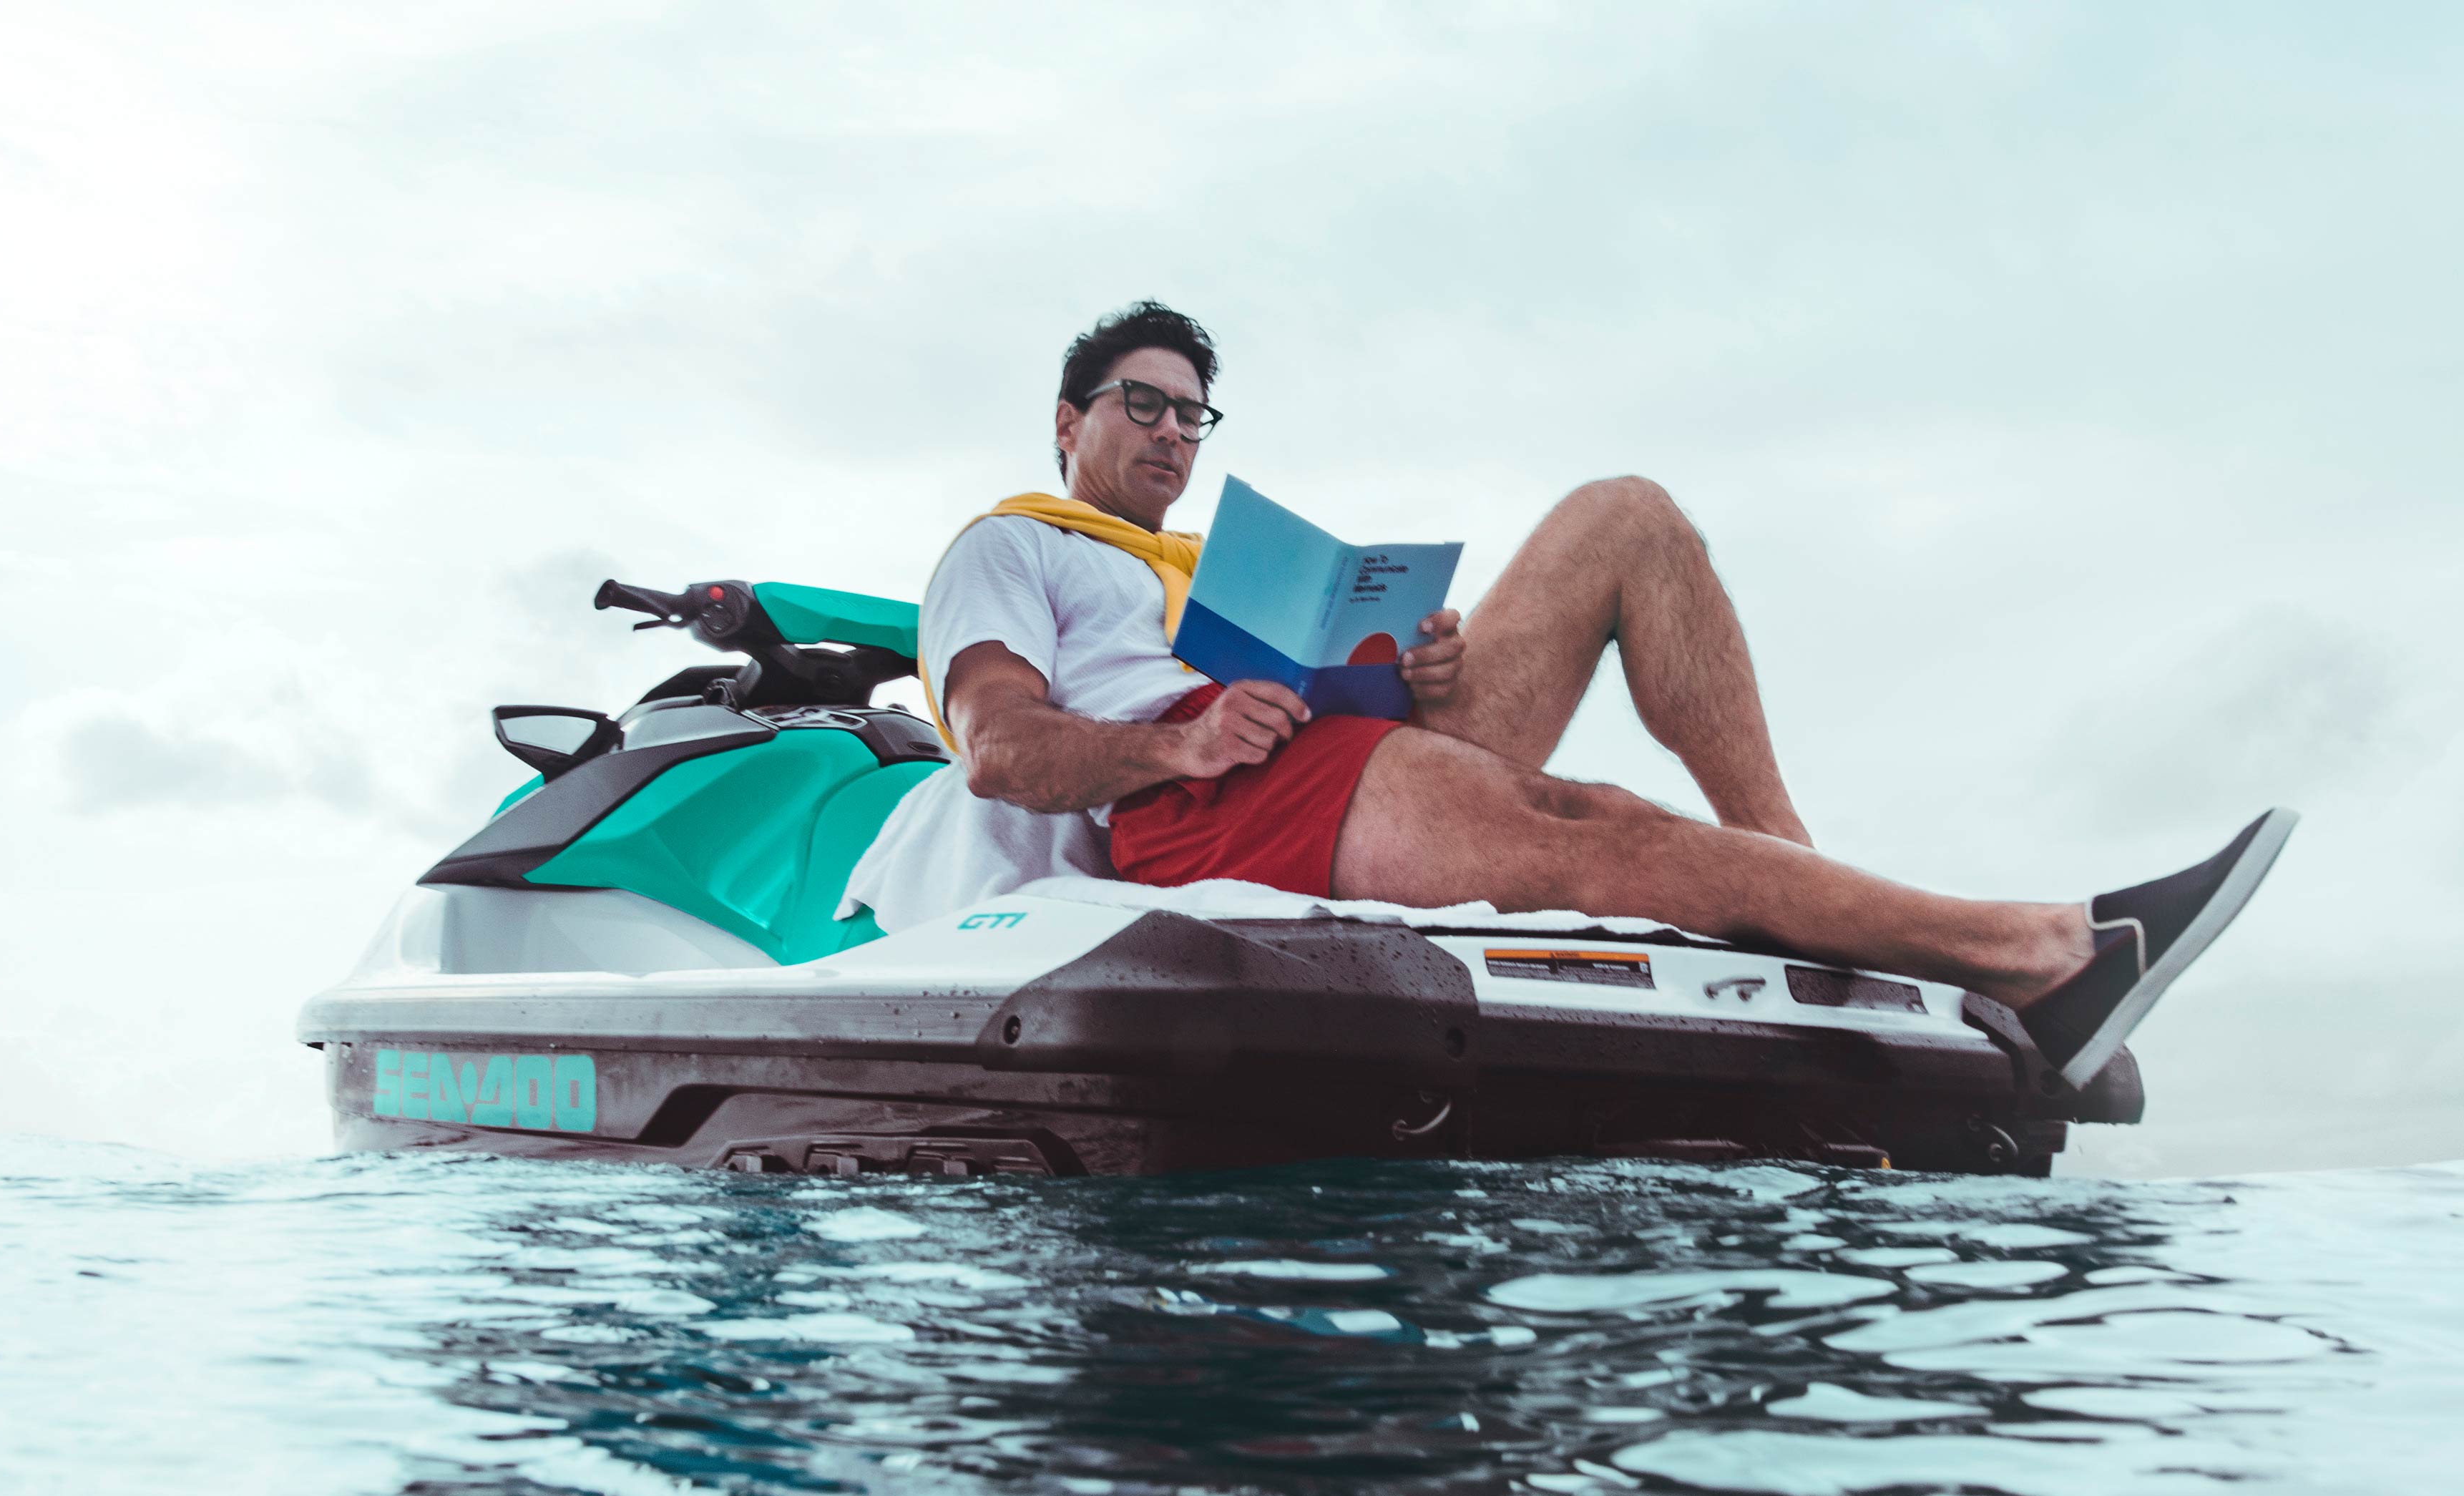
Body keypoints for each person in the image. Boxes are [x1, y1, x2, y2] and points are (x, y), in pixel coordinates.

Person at [839, 301, 2294, 1086]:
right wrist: (1184, 744)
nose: (1168, 430)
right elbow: (1002, 752)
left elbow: (1346, 692)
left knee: (1626, 515)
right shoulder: (1009, 545)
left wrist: (1421, 677)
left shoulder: (1206, 560)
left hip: (1329, 737)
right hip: (1203, 794)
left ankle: (1807, 879)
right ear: (1066, 422)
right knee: (1587, 820)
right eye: (1137, 404)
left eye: (1189, 412)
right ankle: (2040, 955)